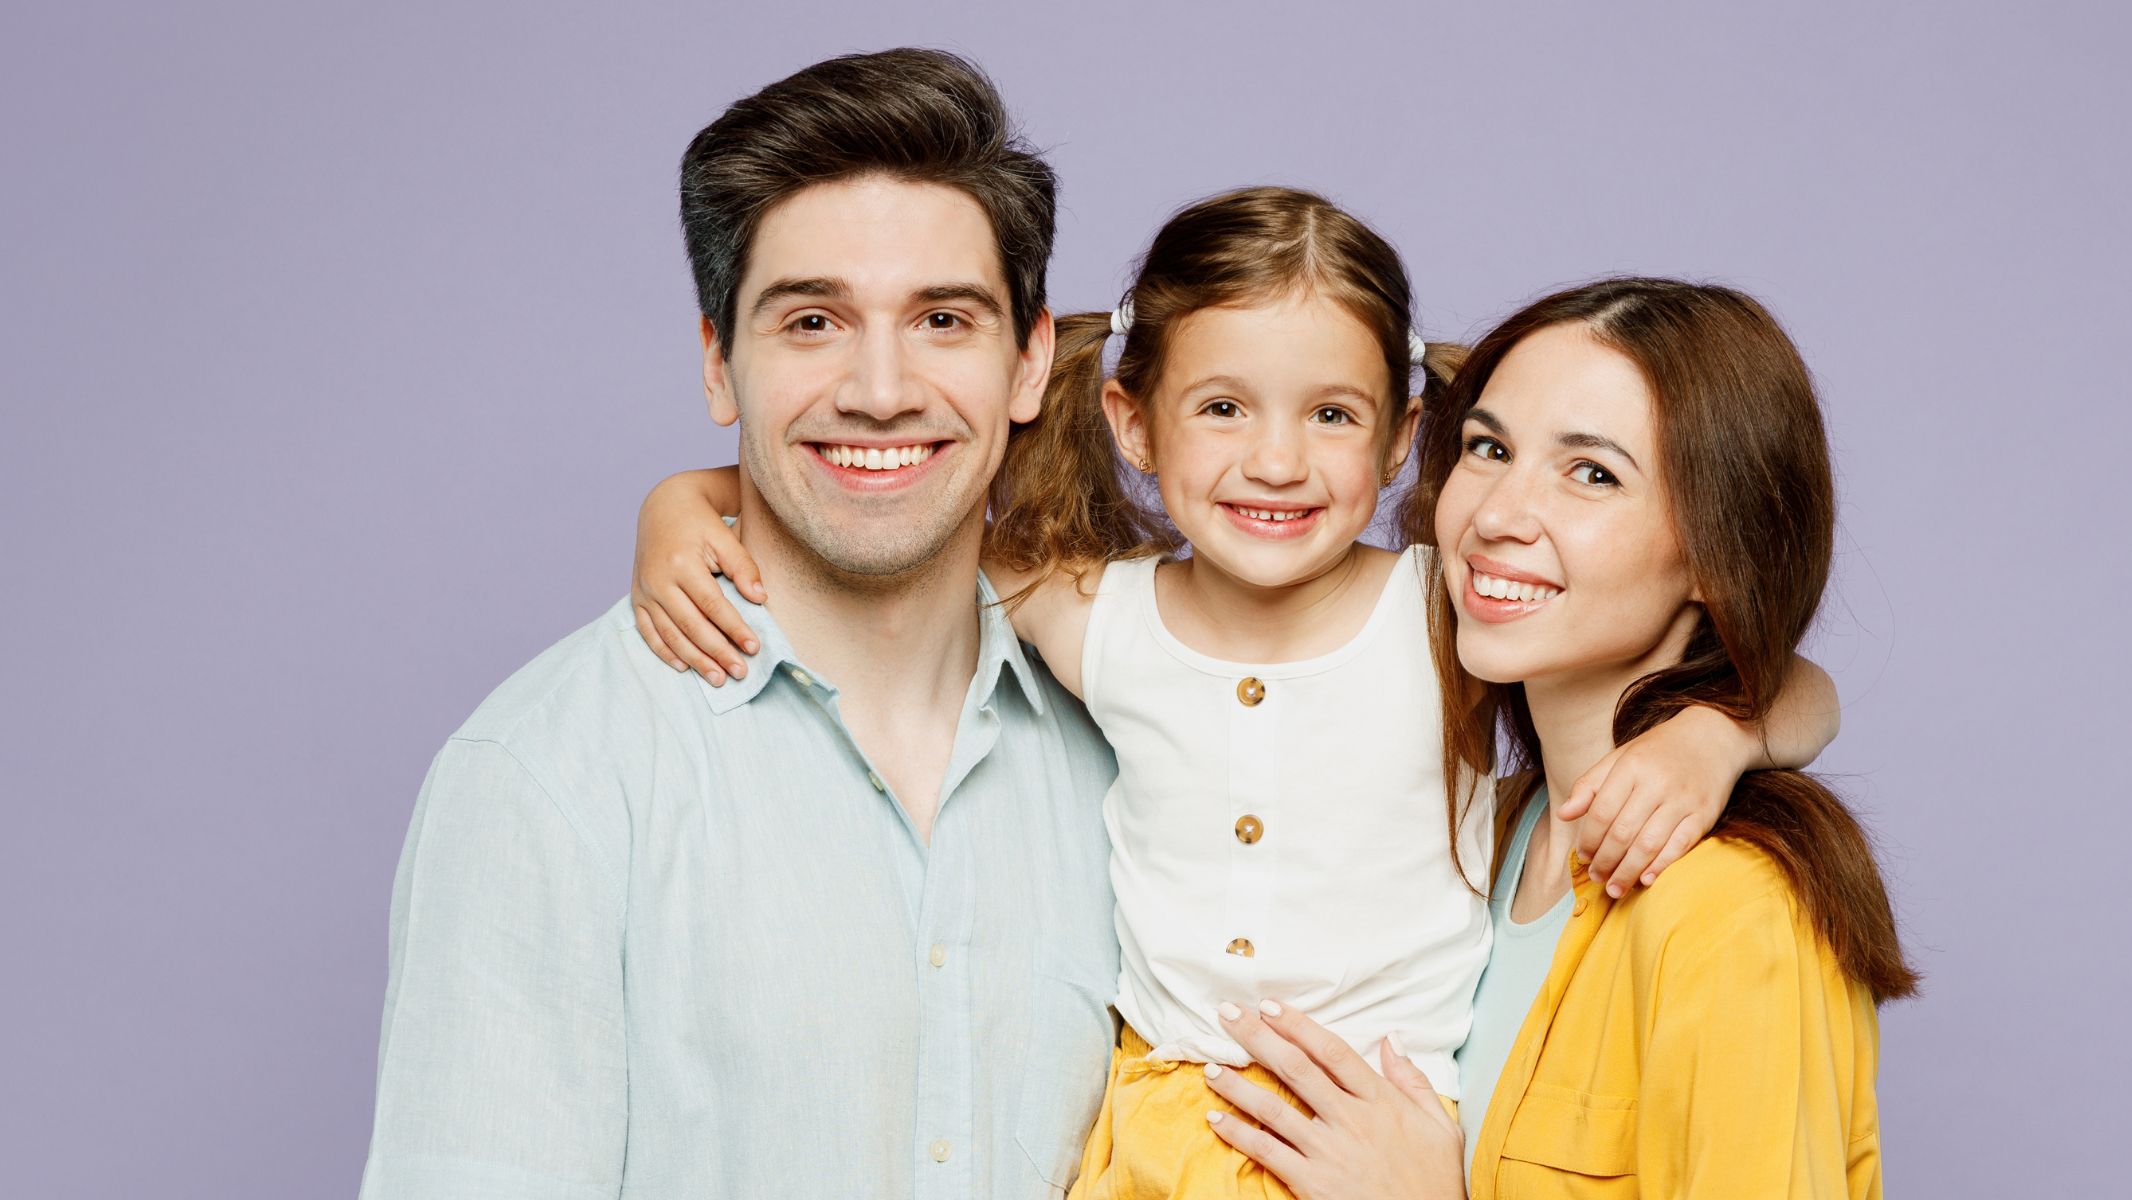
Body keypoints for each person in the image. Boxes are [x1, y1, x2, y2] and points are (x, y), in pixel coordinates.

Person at [633, 195, 1848, 1198]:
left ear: (1393, 439)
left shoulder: (1446, 613)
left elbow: (1790, 676)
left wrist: (1714, 733)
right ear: (1133, 423)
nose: (1276, 460)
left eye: (1331, 415)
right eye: (1493, 451)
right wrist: (689, 503)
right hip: (1159, 1134)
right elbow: (898, 514)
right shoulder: (1100, 618)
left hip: (1379, 1132)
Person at [359, 49, 1123, 1199]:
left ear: (1027, 361)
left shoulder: (1143, 742)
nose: (879, 388)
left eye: (943, 320)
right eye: (811, 321)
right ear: (721, 366)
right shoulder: (546, 778)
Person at [1191, 278, 1916, 1199]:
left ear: (1714, 555)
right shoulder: (1467, 834)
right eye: (1488, 448)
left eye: (1593, 473)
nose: (1496, 516)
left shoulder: (1732, 910)